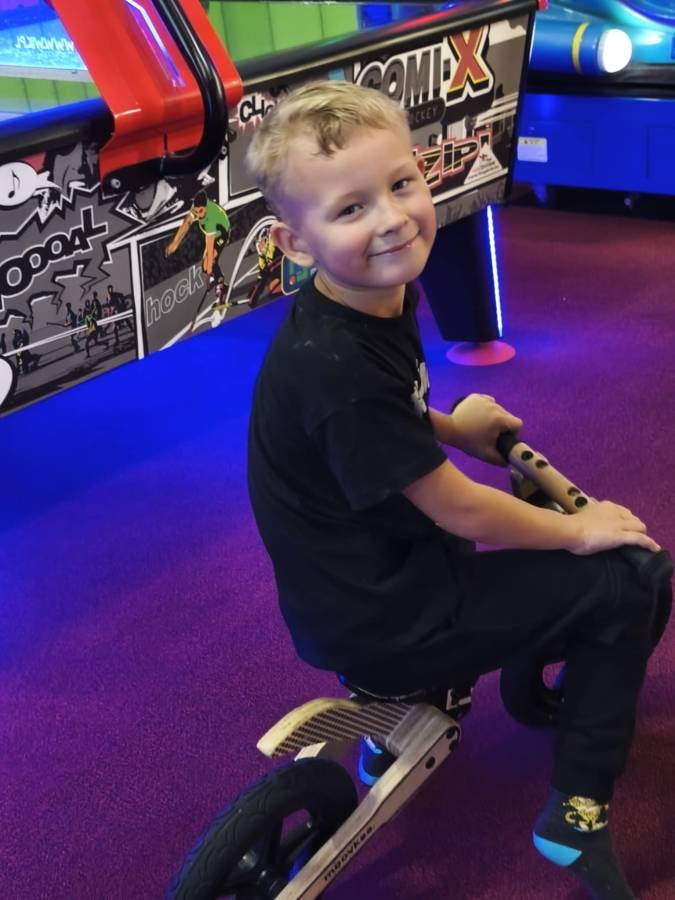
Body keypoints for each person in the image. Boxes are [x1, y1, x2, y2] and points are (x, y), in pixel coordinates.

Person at [245, 81, 671, 900]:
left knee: (570, 559)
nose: (392, 220)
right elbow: (458, 506)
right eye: (350, 209)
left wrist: (446, 426)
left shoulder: (364, 297)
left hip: (357, 587)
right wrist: (579, 531)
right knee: (629, 578)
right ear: (295, 244)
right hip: (392, 615)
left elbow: (382, 418)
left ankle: (444, 702)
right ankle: (575, 815)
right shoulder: (336, 367)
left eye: (400, 184)